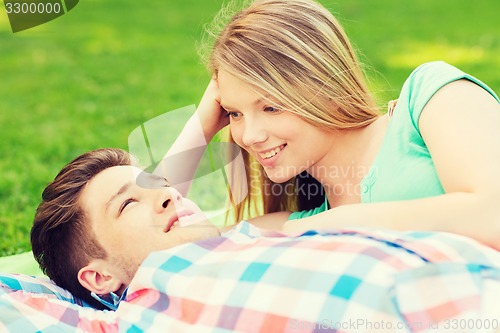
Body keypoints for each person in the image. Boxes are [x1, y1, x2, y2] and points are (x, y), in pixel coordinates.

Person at [28, 148, 500, 331]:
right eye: (127, 204)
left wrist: (217, 100)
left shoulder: (256, 234)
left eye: (159, 184)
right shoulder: (137, 318)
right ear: (99, 276)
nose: (168, 195)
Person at [192, 0, 500, 247]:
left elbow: (493, 216)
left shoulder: (430, 98)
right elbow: (160, 250)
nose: (250, 135)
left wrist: (334, 225)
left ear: (326, 87)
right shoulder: (300, 223)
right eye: (235, 114)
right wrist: (200, 126)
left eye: (272, 107)